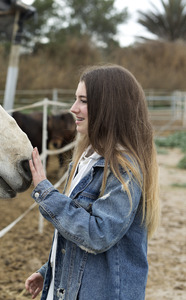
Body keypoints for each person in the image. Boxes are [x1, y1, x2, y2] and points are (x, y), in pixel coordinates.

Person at [24, 64, 160, 300]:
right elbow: (78, 233)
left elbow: (99, 234)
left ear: (110, 107)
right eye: (76, 99)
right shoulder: (87, 160)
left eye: (83, 101)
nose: (73, 108)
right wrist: (51, 270)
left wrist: (46, 192)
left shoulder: (121, 167)